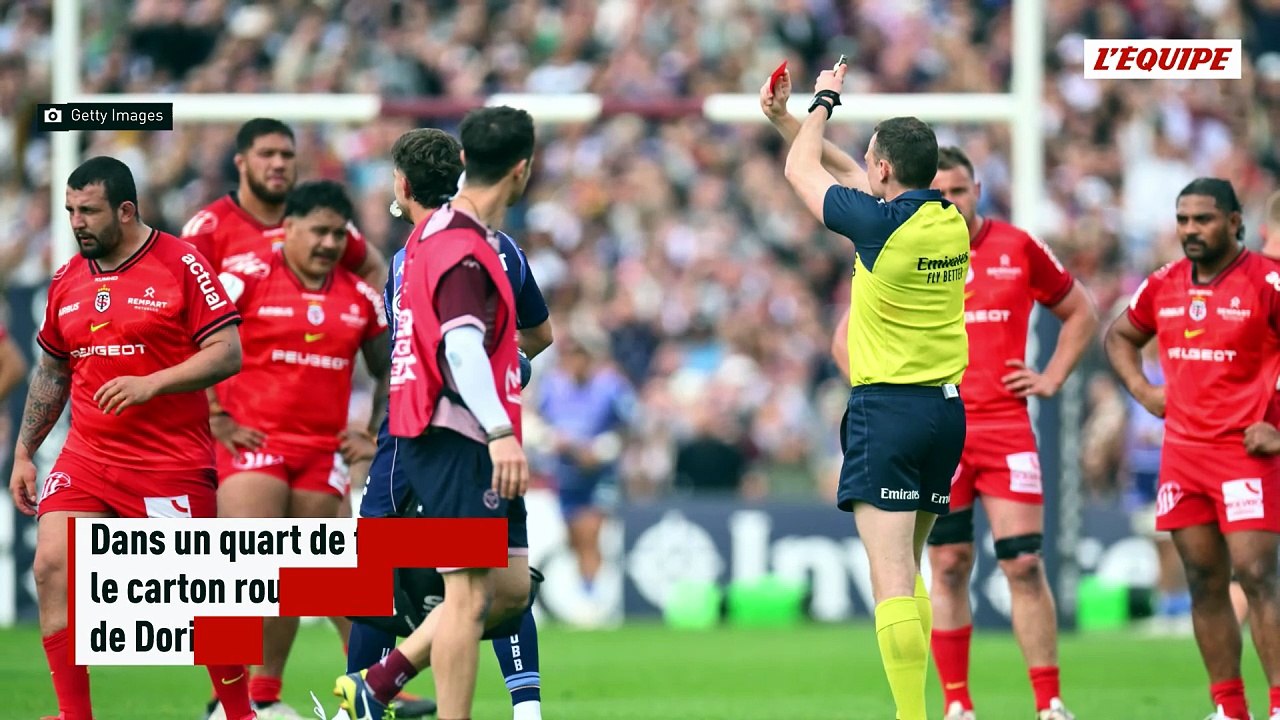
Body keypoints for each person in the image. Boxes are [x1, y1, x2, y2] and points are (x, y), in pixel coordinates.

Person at [9, 156, 251, 720]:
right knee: (52, 565)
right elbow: (51, 371)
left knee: (203, 598)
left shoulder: (181, 263)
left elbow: (228, 352)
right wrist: (24, 450)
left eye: (88, 211)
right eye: (70, 211)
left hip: (169, 461)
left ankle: (240, 712)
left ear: (125, 208)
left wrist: (154, 384)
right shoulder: (69, 277)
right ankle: (76, 715)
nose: (77, 222)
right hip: (88, 455)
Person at [763, 63, 968, 720]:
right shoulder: (950, 222)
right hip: (944, 413)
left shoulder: (880, 227)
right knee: (912, 575)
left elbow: (804, 174)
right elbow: (851, 174)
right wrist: (786, 121)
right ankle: (930, 706)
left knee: (890, 584)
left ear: (885, 172)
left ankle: (912, 716)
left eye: (874, 162)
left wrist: (823, 100)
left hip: (888, 411)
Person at [335, 106, 537, 720]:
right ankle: (375, 696)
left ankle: (375, 685)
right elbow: (458, 344)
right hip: (455, 432)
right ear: (522, 172)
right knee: (467, 595)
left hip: (440, 427)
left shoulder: (438, 239)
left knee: (506, 591)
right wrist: (500, 429)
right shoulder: (463, 247)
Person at [186, 118, 391, 720]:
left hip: (322, 448)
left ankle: (267, 697)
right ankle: (228, 702)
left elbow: (388, 362)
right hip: (253, 438)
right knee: (245, 569)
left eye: (337, 235)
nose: (330, 244)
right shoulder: (235, 264)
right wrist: (215, 414)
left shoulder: (356, 295)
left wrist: (372, 431)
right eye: (318, 233)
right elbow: (191, 334)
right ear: (288, 232)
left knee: (311, 576)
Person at [912, 146, 1094, 720]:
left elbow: (1080, 309)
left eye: (957, 190)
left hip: (1004, 426)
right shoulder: (909, 251)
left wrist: (1052, 376)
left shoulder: (1016, 247)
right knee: (947, 564)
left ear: (977, 190)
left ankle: (1049, 704)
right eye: (936, 192)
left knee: (1023, 563)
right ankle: (958, 705)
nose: (947, 200)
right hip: (939, 430)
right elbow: (848, 334)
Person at [1105, 178, 1280, 720]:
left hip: (1246, 454)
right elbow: (1119, 336)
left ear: (1233, 222)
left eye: (1202, 219)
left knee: (1255, 574)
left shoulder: (1267, 282)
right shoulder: (1164, 283)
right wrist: (1144, 391)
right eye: (1183, 220)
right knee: (1204, 581)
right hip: (1183, 455)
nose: (1190, 230)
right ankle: (1230, 709)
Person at [535, 335, 634, 626]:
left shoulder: (611, 387)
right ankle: (586, 590)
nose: (574, 363)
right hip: (566, 472)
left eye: (580, 356)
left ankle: (592, 600)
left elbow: (630, 426)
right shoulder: (552, 387)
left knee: (590, 532)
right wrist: (552, 441)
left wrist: (604, 449)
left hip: (598, 474)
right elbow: (539, 423)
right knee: (574, 537)